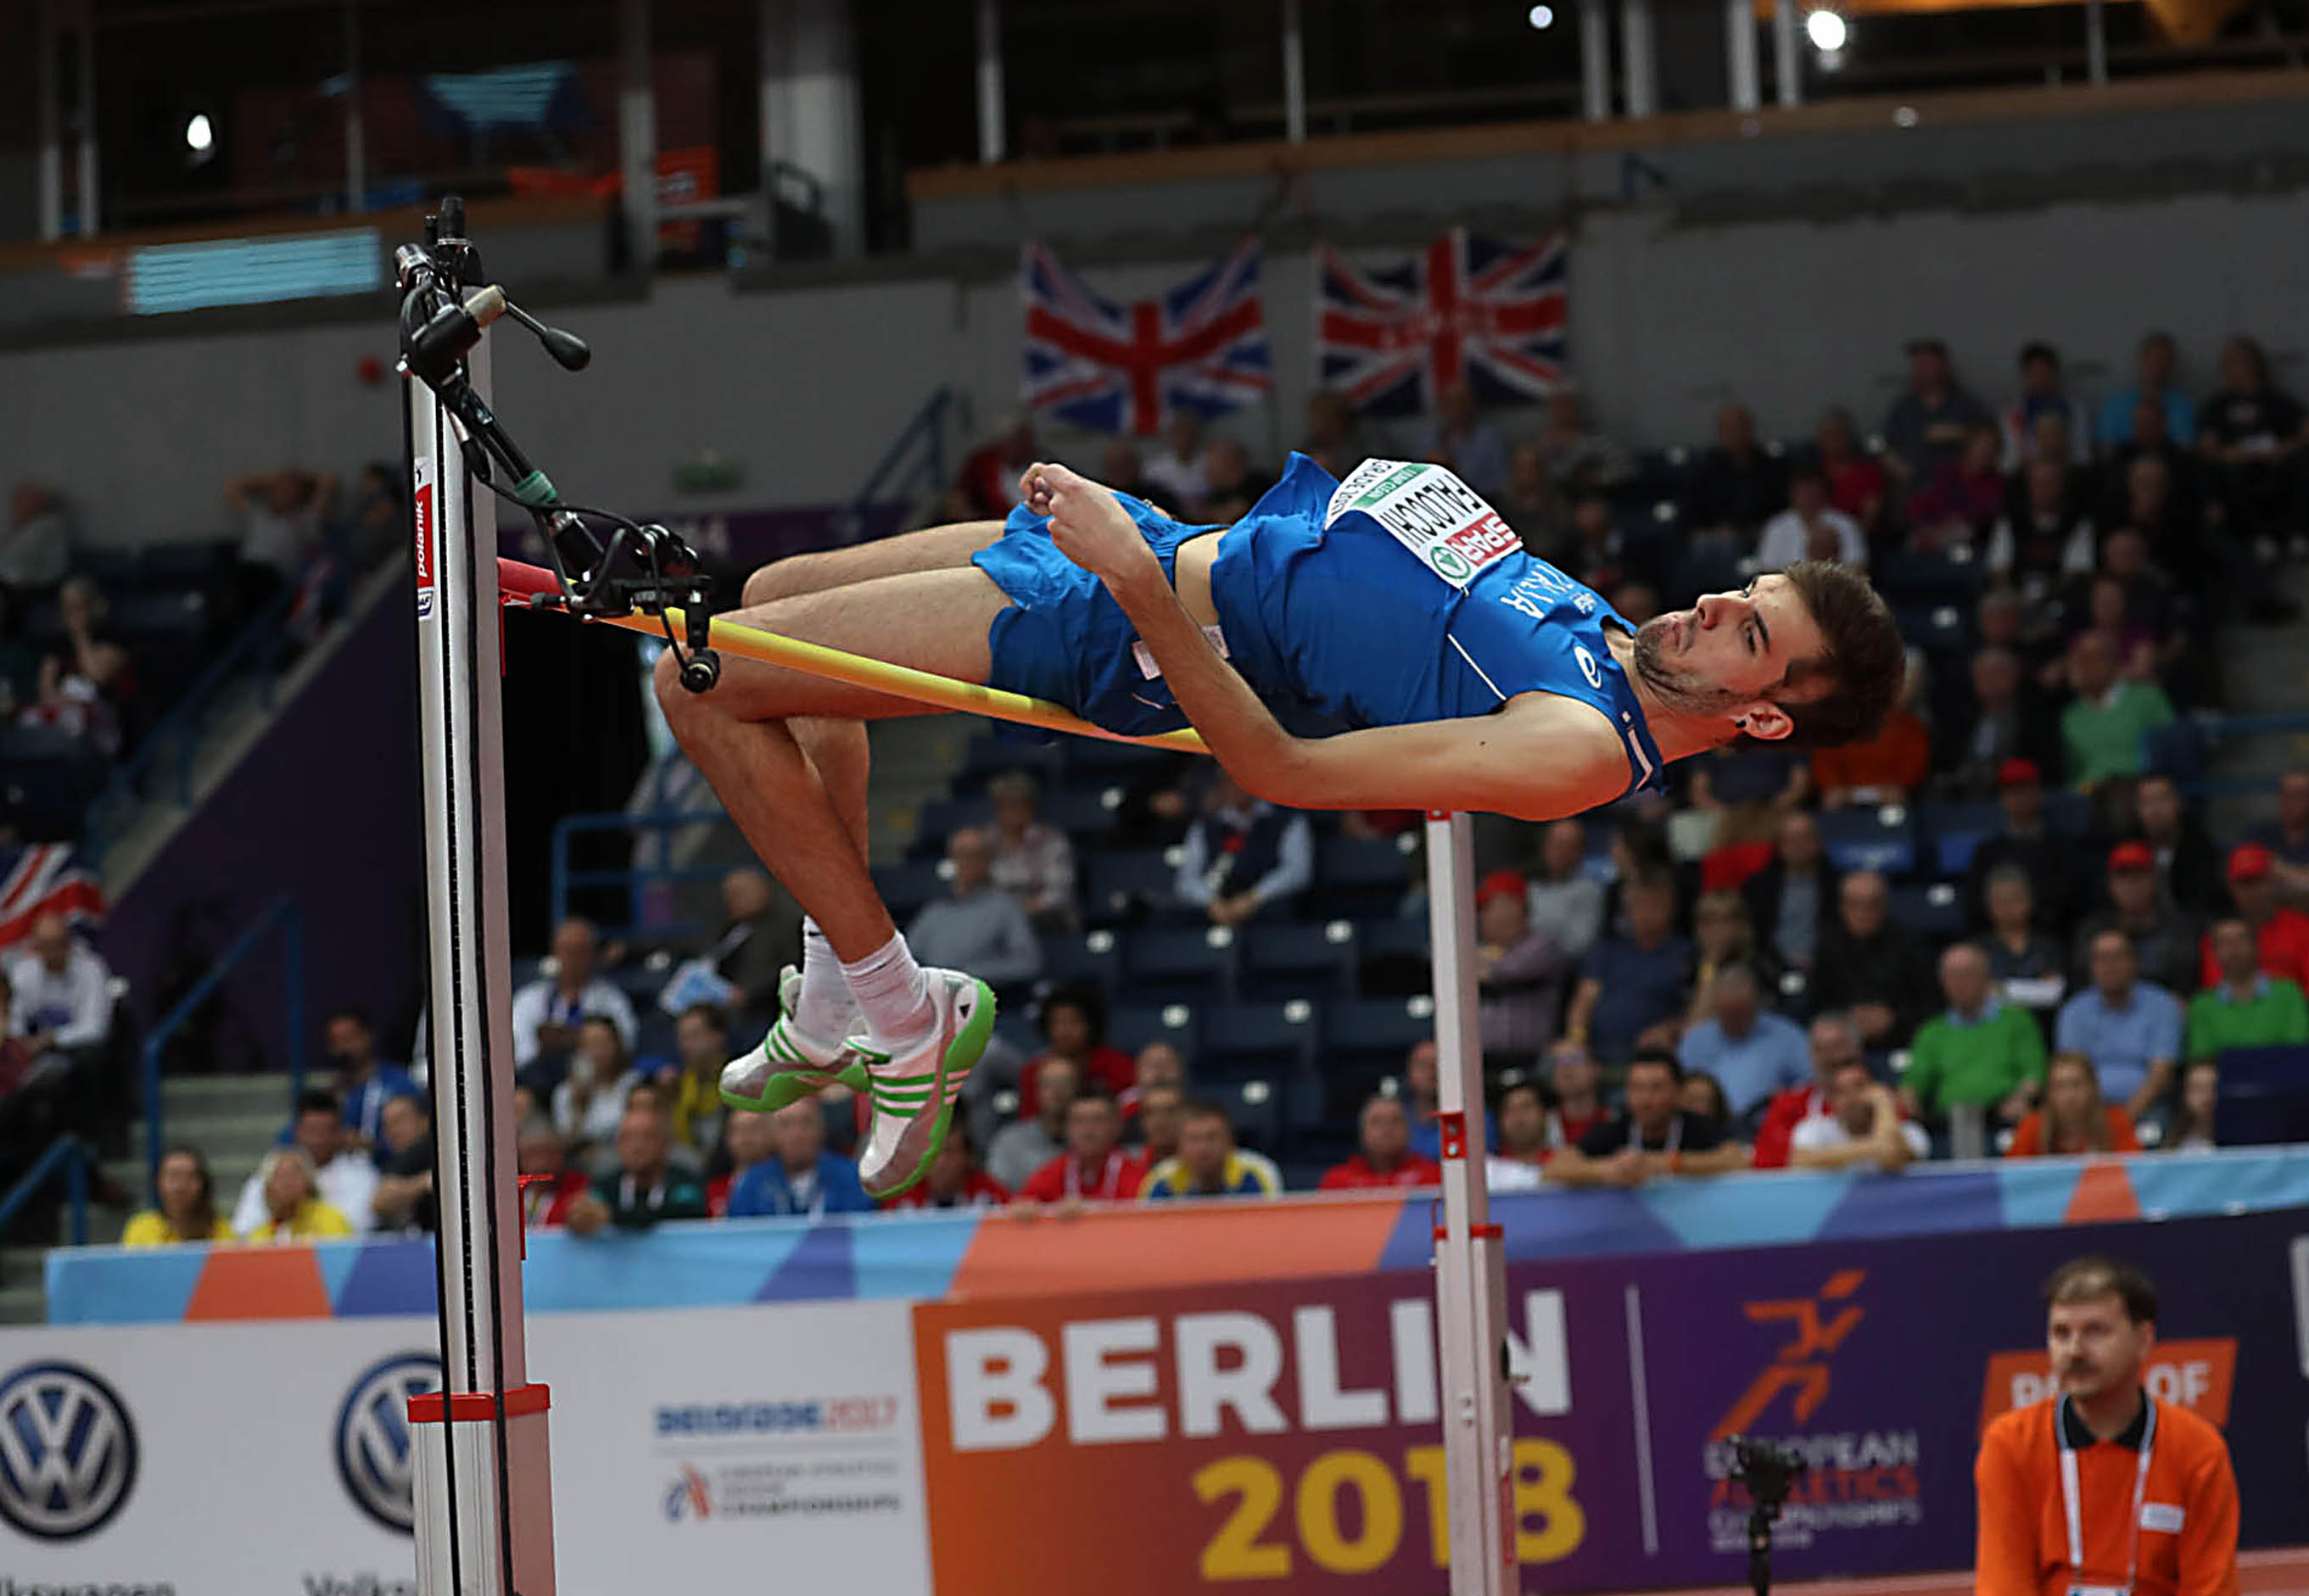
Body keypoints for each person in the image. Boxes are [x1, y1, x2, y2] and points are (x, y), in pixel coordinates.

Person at [668, 450, 1904, 1201]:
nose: (1712, 605)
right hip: (1170, 548)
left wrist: (1131, 576)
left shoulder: (1579, 745)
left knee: (696, 680)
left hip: (1125, 623)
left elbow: (1280, 768)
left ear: (1762, 719)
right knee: (772, 595)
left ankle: (898, 1010)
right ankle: (836, 988)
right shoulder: (1612, 637)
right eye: (1743, 590)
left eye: (1750, 632)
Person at [1973, 1257, 2239, 1596]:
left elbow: (2210, 1589)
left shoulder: (2198, 1449)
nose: (2075, 1350)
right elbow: (2004, 1584)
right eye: (2061, 1333)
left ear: (2143, 1340)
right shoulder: (2011, 1444)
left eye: (2095, 1331)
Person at [1546, 1049, 1747, 1186]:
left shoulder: (1697, 1126)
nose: (1645, 1099)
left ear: (1678, 1093)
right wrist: (1607, 1169)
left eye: (1656, 1088)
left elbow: (1737, 1160)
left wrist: (1667, 1164)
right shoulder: (1617, 1128)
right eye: (1637, 1088)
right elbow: (1554, 1168)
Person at [1902, 944, 2049, 1125]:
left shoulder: (2017, 1021)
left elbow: (2034, 1073)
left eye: (1968, 973)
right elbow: (1913, 1082)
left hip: (2003, 1121)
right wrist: (1909, 1100)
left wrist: (2022, 1097)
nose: (1959, 982)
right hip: (1946, 1124)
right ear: (1943, 982)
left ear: (1986, 977)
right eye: (1952, 975)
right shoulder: (1931, 1031)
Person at [1566, 871, 1694, 1066]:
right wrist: (1577, 1041)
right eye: (1638, 904)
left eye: (1653, 904)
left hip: (1653, 1056)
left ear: (1670, 907)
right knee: (1559, 1062)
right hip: (1594, 1053)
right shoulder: (1607, 950)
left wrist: (1671, 1029)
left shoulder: (1686, 954)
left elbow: (1696, 1015)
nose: (1646, 913)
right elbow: (1583, 1002)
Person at [2056, 932, 2183, 1121]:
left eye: (2118, 957)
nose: (2110, 966)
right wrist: (2098, 1122)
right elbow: (2074, 1073)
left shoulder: (2163, 1006)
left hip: (2148, 1107)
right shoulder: (2074, 1011)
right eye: (2101, 959)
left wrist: (2123, 1120)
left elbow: (2162, 1074)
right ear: (2091, 967)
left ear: (2134, 962)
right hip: (2087, 1112)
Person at [901, 828, 1043, 991]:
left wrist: (970, 974)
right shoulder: (934, 910)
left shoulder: (1005, 907)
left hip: (984, 996)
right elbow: (908, 959)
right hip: (934, 995)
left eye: (972, 855)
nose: (964, 862)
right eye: (958, 855)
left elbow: (1028, 963)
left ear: (987, 861)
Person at [1812, 871, 1937, 1051]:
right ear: (1842, 907)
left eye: (1872, 904)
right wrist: (1847, 1017)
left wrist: (1893, 1019)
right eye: (1855, 904)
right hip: (1842, 1044)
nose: (1863, 913)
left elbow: (1930, 1006)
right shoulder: (1827, 946)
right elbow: (1817, 1003)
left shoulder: (1911, 945)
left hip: (1902, 1041)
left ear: (1885, 906)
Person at [1174, 768, 1314, 927]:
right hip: (1217, 906)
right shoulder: (1205, 825)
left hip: (1269, 907)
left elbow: (1297, 872)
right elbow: (1187, 879)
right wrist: (1211, 902)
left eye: (1243, 780)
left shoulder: (1288, 820)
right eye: (1230, 781)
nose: (1237, 787)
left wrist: (1255, 897)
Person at [508, 917, 638, 1086]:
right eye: (567, 950)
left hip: (593, 1084)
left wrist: (572, 1040)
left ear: (593, 954)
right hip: (539, 1082)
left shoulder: (612, 999)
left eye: (580, 951)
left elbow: (626, 1045)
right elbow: (521, 1050)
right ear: (555, 952)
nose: (573, 958)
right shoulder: (529, 998)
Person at [232, 1091, 377, 1237]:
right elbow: (243, 1232)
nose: (318, 1140)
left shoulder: (362, 1176)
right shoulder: (267, 1175)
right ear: (297, 1131)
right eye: (312, 1131)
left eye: (326, 1131)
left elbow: (357, 1229)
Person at [1965, 758, 2085, 932]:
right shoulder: (1987, 852)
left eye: (2024, 789)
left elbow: (2074, 900)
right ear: (2002, 798)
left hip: (2054, 934)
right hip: (1997, 939)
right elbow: (1975, 907)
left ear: (2039, 793)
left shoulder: (2063, 847)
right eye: (2011, 790)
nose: (2018, 797)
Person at [2072, 841, 2204, 999]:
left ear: (2154, 881)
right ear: (2111, 884)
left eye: (2139, 877)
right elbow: (2082, 986)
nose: (2131, 886)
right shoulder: (2094, 931)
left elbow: (2186, 988)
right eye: (2123, 878)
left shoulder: (2179, 930)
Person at [1678, 963, 1809, 1119]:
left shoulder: (1788, 1037)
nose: (1736, 1019)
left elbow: (1810, 1084)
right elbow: (1679, 1089)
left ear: (1756, 1003)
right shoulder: (1696, 1041)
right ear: (1717, 1007)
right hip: (1708, 1125)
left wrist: (1788, 1098)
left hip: (1768, 1124)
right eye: (1729, 1013)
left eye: (1741, 1012)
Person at [564, 1101, 710, 1234]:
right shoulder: (604, 1185)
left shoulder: (686, 1182)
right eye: (628, 1138)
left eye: (647, 1137)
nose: (637, 1146)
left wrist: (610, 1216)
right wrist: (577, 1217)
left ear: (666, 1144)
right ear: (618, 1145)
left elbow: (684, 1214)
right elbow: (583, 1214)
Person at [2186, 918, 2309, 1061]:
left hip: (2284, 1070)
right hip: (2226, 1074)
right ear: (2213, 953)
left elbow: (2298, 1049)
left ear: (2257, 946)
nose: (2234, 949)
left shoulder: (2288, 992)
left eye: (2241, 940)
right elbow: (2202, 1058)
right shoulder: (2202, 1004)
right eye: (2225, 943)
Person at [1752, 1013, 1865, 1169]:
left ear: (1856, 1051)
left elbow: (1895, 1151)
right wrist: (1873, 1149)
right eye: (1819, 1049)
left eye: (1837, 1047)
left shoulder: (1882, 1100)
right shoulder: (1788, 1105)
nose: (1828, 1057)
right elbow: (1768, 1164)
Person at [725, 1099, 874, 1217]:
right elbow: (737, 1236)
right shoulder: (752, 1183)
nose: (797, 1134)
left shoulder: (850, 1177)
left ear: (821, 1129)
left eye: (806, 1122)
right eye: (785, 1124)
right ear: (772, 1133)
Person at [1475, 871, 1567, 1059]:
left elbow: (1509, 970)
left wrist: (1479, 965)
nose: (1482, 916)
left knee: (1572, 1058)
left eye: (1489, 907)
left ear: (1515, 907)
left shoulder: (1541, 945)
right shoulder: (1478, 949)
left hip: (1533, 1060)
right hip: (1480, 1059)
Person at [1881, 338, 1993, 488]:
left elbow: (1989, 437)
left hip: (1960, 485)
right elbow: (1887, 445)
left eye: (1925, 364)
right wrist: (1896, 466)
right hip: (1915, 485)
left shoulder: (1966, 404)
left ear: (1942, 365)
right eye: (1916, 364)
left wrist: (1958, 432)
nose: (1919, 369)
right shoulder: (1903, 407)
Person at [1789, 1057, 1928, 1170]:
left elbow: (1890, 1157)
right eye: (1842, 1091)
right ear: (1832, 1100)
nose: (1852, 1098)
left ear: (1876, 1089)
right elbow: (1799, 1162)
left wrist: (1883, 1102)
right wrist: (1873, 1146)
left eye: (1860, 1087)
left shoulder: (1910, 1131)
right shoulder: (1814, 1128)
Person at [1743, 809, 1838, 974]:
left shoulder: (1837, 885)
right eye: (1791, 840)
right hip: (1768, 968)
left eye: (1805, 838)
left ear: (1818, 842)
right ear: (1779, 845)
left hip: (1825, 969)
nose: (1798, 846)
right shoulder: (1757, 886)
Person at [2201, 845, 2309, 989]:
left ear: (2271, 881)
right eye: (2243, 883)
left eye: (2258, 880)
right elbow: (2214, 990)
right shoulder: (2219, 936)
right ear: (2231, 887)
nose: (2251, 891)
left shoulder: (2301, 927)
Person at [985, 771, 1078, 932]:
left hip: (1046, 919)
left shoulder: (1053, 842)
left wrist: (1025, 909)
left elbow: (1059, 895)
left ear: (1030, 807)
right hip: (1000, 918)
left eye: (1017, 805)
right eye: (1004, 806)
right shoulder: (986, 841)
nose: (1010, 812)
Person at [1015, 1087, 1143, 1203]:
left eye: (1098, 1120)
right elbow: (1022, 1203)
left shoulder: (1136, 1175)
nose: (1088, 1130)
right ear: (1067, 1128)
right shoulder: (1049, 1175)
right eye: (1079, 1121)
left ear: (1116, 1126)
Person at [1982, 866, 2070, 1030]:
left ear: (2029, 902)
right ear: (1989, 905)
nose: (2008, 907)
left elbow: (2053, 994)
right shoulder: (1978, 950)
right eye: (2000, 900)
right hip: (1993, 1031)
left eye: (2014, 899)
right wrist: (2034, 989)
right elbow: (1980, 995)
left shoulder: (2048, 947)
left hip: (2043, 1027)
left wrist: (2003, 990)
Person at [1140, 1098, 1283, 1199]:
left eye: (1212, 1137)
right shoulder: (1161, 1181)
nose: (1204, 1147)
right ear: (1179, 1145)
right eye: (1194, 1139)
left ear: (1229, 1141)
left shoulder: (1257, 1172)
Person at [2004, 1052, 2141, 1158]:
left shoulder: (2117, 1121)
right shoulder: (2033, 1124)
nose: (2069, 1096)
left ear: (2093, 1087)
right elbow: (2011, 1174)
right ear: (2049, 1093)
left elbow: (2136, 1172)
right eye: (2060, 1086)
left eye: (2077, 1084)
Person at [322, 1008, 419, 1151]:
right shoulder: (331, 1091)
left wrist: (370, 1145)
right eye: (337, 1041)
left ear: (368, 1037)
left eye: (349, 1038)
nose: (344, 1048)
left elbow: (416, 1138)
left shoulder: (398, 1084)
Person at [551, 1016, 642, 1152]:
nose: (597, 1053)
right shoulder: (565, 1093)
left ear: (617, 1046)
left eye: (603, 1044)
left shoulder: (634, 1084)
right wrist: (579, 1107)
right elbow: (565, 1146)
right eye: (589, 1045)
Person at [987, 1052, 1076, 1191]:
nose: (1057, 1092)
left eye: (1064, 1084)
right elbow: (997, 1194)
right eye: (1049, 1084)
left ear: (1077, 1090)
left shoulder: (1090, 1141)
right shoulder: (1009, 1142)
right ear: (1037, 1091)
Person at [2095, 332, 2196, 449]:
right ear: (2142, 361)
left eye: (2166, 361)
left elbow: (2186, 448)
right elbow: (2105, 447)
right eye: (2155, 360)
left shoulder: (2183, 406)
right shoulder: (2116, 404)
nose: (2159, 367)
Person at [1318, 1095, 1443, 1191]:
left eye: (1396, 1121)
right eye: (1377, 1122)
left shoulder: (1434, 1176)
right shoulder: (1337, 1181)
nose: (1387, 1130)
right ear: (1362, 1133)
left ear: (1409, 1130)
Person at [881, 1119, 1011, 1210]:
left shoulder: (991, 1194)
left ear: (967, 1156)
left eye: (950, 1151)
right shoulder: (902, 1197)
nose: (941, 1161)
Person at [2000, 342, 2092, 469]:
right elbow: (2010, 458)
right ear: (2025, 376)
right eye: (2034, 373)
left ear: (2055, 373)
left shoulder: (2075, 409)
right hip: (2026, 471)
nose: (2041, 379)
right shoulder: (2014, 411)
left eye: (2045, 372)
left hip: (2068, 469)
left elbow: (2082, 454)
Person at [1755, 467, 1866, 572]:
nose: (1808, 497)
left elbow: (1858, 567)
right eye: (1803, 492)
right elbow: (1767, 570)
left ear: (1824, 493)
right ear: (1792, 493)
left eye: (1813, 492)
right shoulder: (1776, 526)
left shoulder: (1846, 524)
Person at [121, 1145, 235, 1246]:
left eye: (190, 1177)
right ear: (158, 1182)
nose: (180, 1186)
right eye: (173, 1176)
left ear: (203, 1184)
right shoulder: (140, 1228)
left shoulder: (221, 1229)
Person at [1525, 818, 1604, 960]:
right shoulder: (1531, 886)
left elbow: (1579, 945)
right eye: (1556, 845)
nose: (1561, 852)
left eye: (1569, 846)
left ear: (1580, 851)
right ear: (1545, 846)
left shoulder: (1589, 891)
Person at [241, 1146, 356, 1242]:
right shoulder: (260, 1236)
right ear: (268, 1188)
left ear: (309, 1182)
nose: (287, 1182)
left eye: (294, 1175)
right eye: (280, 1176)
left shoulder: (331, 1220)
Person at [1420, 381, 1510, 502]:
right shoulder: (1430, 438)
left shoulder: (1488, 437)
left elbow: (1502, 481)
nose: (1456, 407)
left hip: (1484, 501)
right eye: (1450, 402)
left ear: (1471, 404)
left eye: (1461, 401)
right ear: (1441, 406)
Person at [372, 1092, 439, 1235]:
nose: (393, 1131)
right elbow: (381, 1201)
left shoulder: (426, 1147)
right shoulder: (393, 1159)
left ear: (424, 1121)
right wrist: (424, 1182)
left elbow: (381, 1200)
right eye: (387, 1125)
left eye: (400, 1120)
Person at [517, 1115, 592, 1229]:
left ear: (563, 1155)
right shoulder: (509, 1193)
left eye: (550, 1153)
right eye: (532, 1154)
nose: (541, 1162)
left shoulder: (581, 1189)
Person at [2150, 1061, 2221, 1153]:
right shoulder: (2173, 1144)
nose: (2206, 1097)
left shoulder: (2236, 1139)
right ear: (2184, 1095)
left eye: (2213, 1088)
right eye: (2197, 1089)